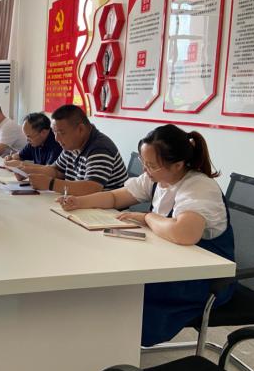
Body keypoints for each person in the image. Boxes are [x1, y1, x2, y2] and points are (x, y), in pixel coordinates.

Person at [56, 124, 235, 347]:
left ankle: (112, 346)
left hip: (204, 280)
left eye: (151, 165)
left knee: (123, 291)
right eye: (144, 163)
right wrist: (79, 202)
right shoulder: (158, 178)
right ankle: (100, 342)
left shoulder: (199, 187)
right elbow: (115, 197)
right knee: (110, 281)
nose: (146, 170)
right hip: (169, 263)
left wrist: (148, 217)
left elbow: (184, 233)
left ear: (178, 165)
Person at [24, 104, 127, 195]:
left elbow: (92, 188)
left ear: (81, 129)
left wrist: (50, 184)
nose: (56, 138)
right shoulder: (72, 145)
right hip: (81, 203)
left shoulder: (100, 148)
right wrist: (26, 170)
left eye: (61, 133)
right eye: (54, 132)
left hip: (107, 209)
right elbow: (57, 170)